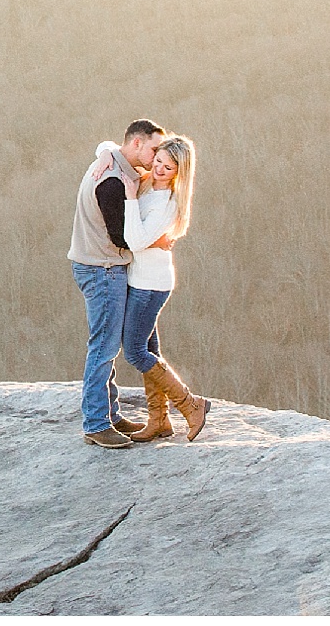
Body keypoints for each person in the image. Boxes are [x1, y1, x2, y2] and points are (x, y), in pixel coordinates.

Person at [68, 118, 166, 448]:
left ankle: (109, 413)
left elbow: (110, 147)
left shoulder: (115, 162)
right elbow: (121, 238)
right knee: (104, 347)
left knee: (107, 344)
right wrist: (157, 240)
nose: (156, 158)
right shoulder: (111, 180)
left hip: (98, 265)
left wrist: (107, 150)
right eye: (153, 149)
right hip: (103, 269)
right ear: (136, 144)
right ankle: (96, 423)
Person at [120, 134, 209, 441]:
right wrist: (108, 157)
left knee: (134, 351)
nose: (158, 169)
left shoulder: (167, 204)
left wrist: (130, 199)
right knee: (149, 349)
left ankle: (190, 404)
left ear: (178, 173)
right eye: (157, 161)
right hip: (139, 279)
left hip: (150, 285)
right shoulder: (147, 187)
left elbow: (134, 240)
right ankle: (159, 419)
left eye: (167, 167)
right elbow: (106, 147)